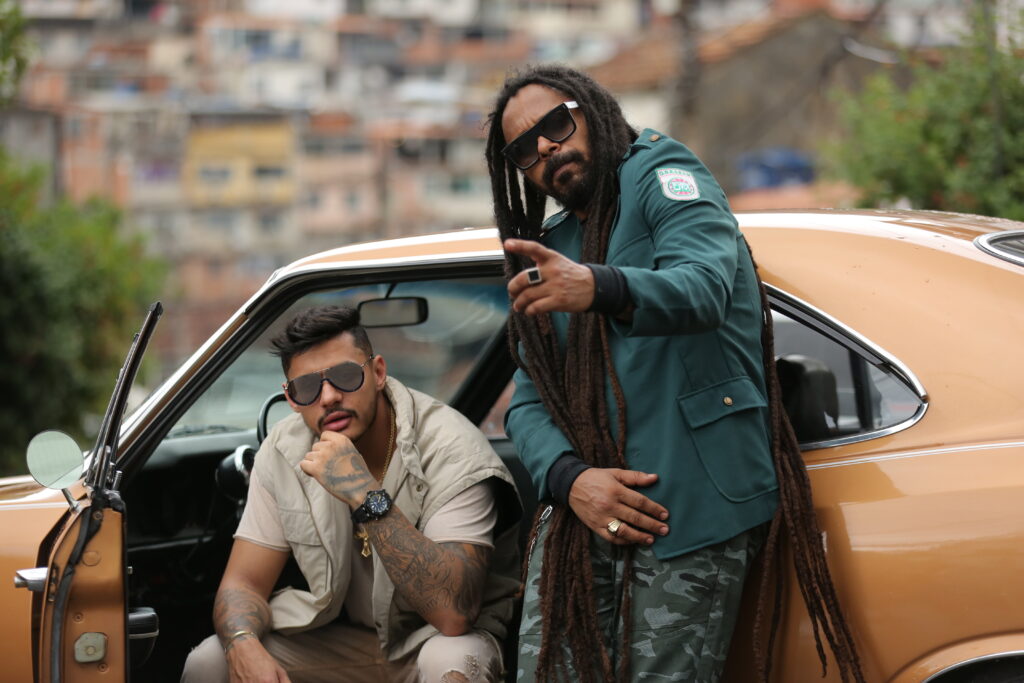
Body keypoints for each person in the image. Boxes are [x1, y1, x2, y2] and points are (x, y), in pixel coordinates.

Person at [485, 65, 863, 682]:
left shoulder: (662, 174)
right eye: (524, 148)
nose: (546, 147)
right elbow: (528, 402)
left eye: (556, 124)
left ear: (592, 112)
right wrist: (570, 480)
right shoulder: (555, 243)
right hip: (584, 519)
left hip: (690, 505)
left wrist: (598, 286)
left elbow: (704, 288)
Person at [181, 305, 521, 683]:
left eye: (345, 376)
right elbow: (243, 583)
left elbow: (454, 612)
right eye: (307, 387)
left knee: (453, 663)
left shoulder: (452, 446)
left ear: (378, 373)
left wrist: (363, 492)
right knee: (211, 661)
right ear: (291, 398)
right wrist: (242, 643)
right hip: (343, 642)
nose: (328, 397)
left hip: (436, 639)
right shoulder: (283, 450)